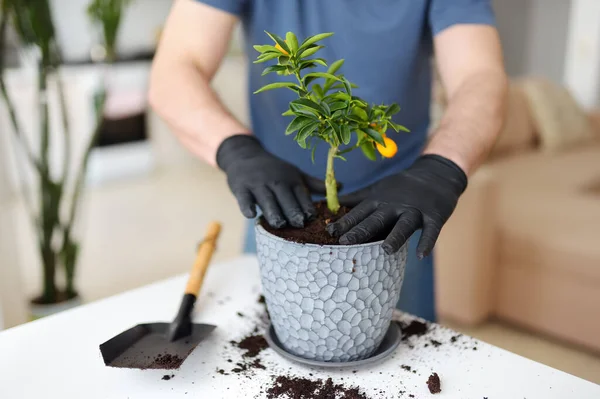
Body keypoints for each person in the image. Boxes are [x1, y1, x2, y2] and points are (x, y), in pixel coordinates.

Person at [149, 0, 508, 322]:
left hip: (399, 214)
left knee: (402, 360)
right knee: (266, 349)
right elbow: (178, 67)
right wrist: (235, 149)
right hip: (280, 205)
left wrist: (442, 168)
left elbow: (479, 76)